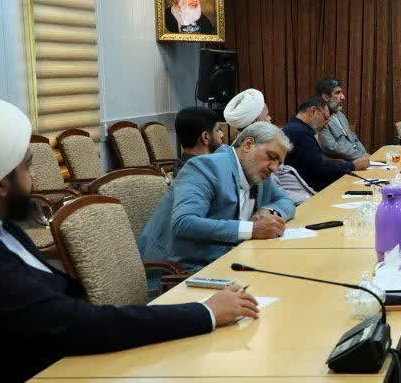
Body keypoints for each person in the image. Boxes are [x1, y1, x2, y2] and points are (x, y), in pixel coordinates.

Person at [0, 97, 259, 383]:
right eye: (27, 166)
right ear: (0, 184)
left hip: (56, 366)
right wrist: (204, 313)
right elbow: (74, 325)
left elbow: (61, 313)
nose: (34, 176)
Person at [138, 122, 297, 273]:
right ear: (248, 145)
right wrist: (253, 229)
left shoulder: (258, 172)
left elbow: (286, 201)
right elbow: (183, 222)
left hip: (229, 260)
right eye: (271, 156)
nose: (274, 168)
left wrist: (267, 211)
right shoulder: (205, 168)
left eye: (279, 162)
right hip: (181, 271)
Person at [282, 96, 365, 193]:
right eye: (326, 118)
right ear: (313, 112)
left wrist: (339, 163)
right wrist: (352, 165)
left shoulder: (296, 128)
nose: (326, 124)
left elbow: (314, 163)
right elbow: (319, 170)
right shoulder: (300, 132)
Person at [315, 77, 368, 161]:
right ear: (325, 97)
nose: (343, 97)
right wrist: (360, 155)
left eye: (341, 93)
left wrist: (365, 154)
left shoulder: (340, 115)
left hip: (358, 159)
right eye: (337, 93)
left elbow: (354, 139)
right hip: (341, 163)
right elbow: (331, 147)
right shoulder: (320, 118)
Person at [174, 106, 225, 171]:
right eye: (217, 130)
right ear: (205, 137)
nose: (222, 134)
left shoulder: (183, 168)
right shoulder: (206, 173)